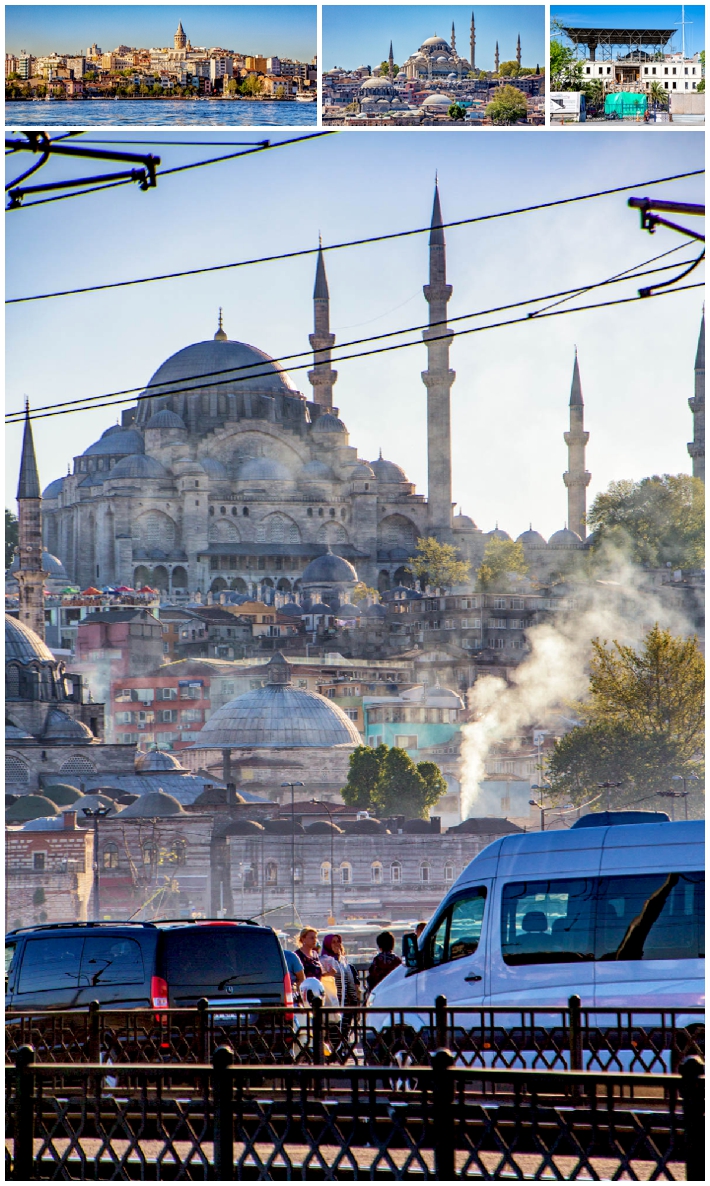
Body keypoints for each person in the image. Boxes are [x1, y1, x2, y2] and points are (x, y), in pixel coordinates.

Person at [367, 931, 402, 995]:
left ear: (380, 946)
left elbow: (371, 979)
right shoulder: (397, 960)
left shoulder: (377, 960)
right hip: (394, 992)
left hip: (379, 993)